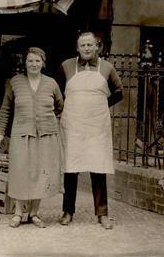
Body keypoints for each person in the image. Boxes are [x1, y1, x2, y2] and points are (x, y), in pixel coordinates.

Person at [58, 31, 123, 229]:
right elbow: (58, 93)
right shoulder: (66, 66)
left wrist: (100, 105)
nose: (86, 48)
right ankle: (68, 211)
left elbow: (119, 92)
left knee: (98, 167)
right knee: (71, 168)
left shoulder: (108, 67)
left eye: (90, 45)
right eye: (82, 45)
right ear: (77, 48)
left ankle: (102, 214)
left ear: (97, 46)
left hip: (97, 126)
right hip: (73, 124)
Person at [0, 47, 64, 228]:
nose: (34, 64)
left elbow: (60, 106)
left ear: (43, 63)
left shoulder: (51, 83)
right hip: (21, 134)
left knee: (41, 173)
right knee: (20, 172)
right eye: (30, 60)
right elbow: (5, 109)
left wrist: (48, 120)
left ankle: (34, 213)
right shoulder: (14, 82)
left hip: (46, 135)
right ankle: (18, 212)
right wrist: (0, 132)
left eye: (37, 61)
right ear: (25, 63)